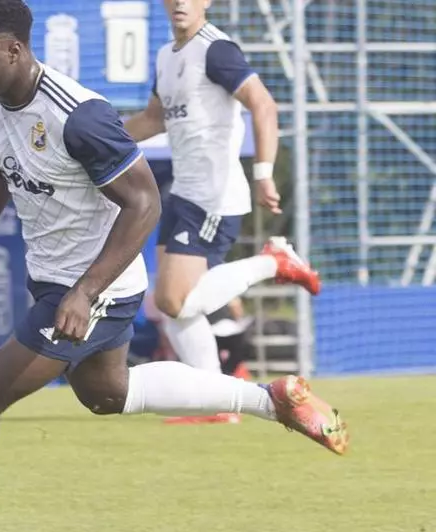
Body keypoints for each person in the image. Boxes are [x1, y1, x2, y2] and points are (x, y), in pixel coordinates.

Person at [0, 1, 347, 532]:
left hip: (98, 284)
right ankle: (272, 399)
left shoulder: (79, 116)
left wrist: (86, 291)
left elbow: (144, 203)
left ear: (13, 50)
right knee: (106, 393)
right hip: (55, 278)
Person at [121, 0, 320, 423]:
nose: (180, 2)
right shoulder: (166, 55)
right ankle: (217, 404)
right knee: (172, 307)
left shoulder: (216, 49)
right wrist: (97, 142)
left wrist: (263, 173)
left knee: (174, 300)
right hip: (184, 193)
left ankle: (273, 262)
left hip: (213, 195)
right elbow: (154, 119)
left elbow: (263, 104)